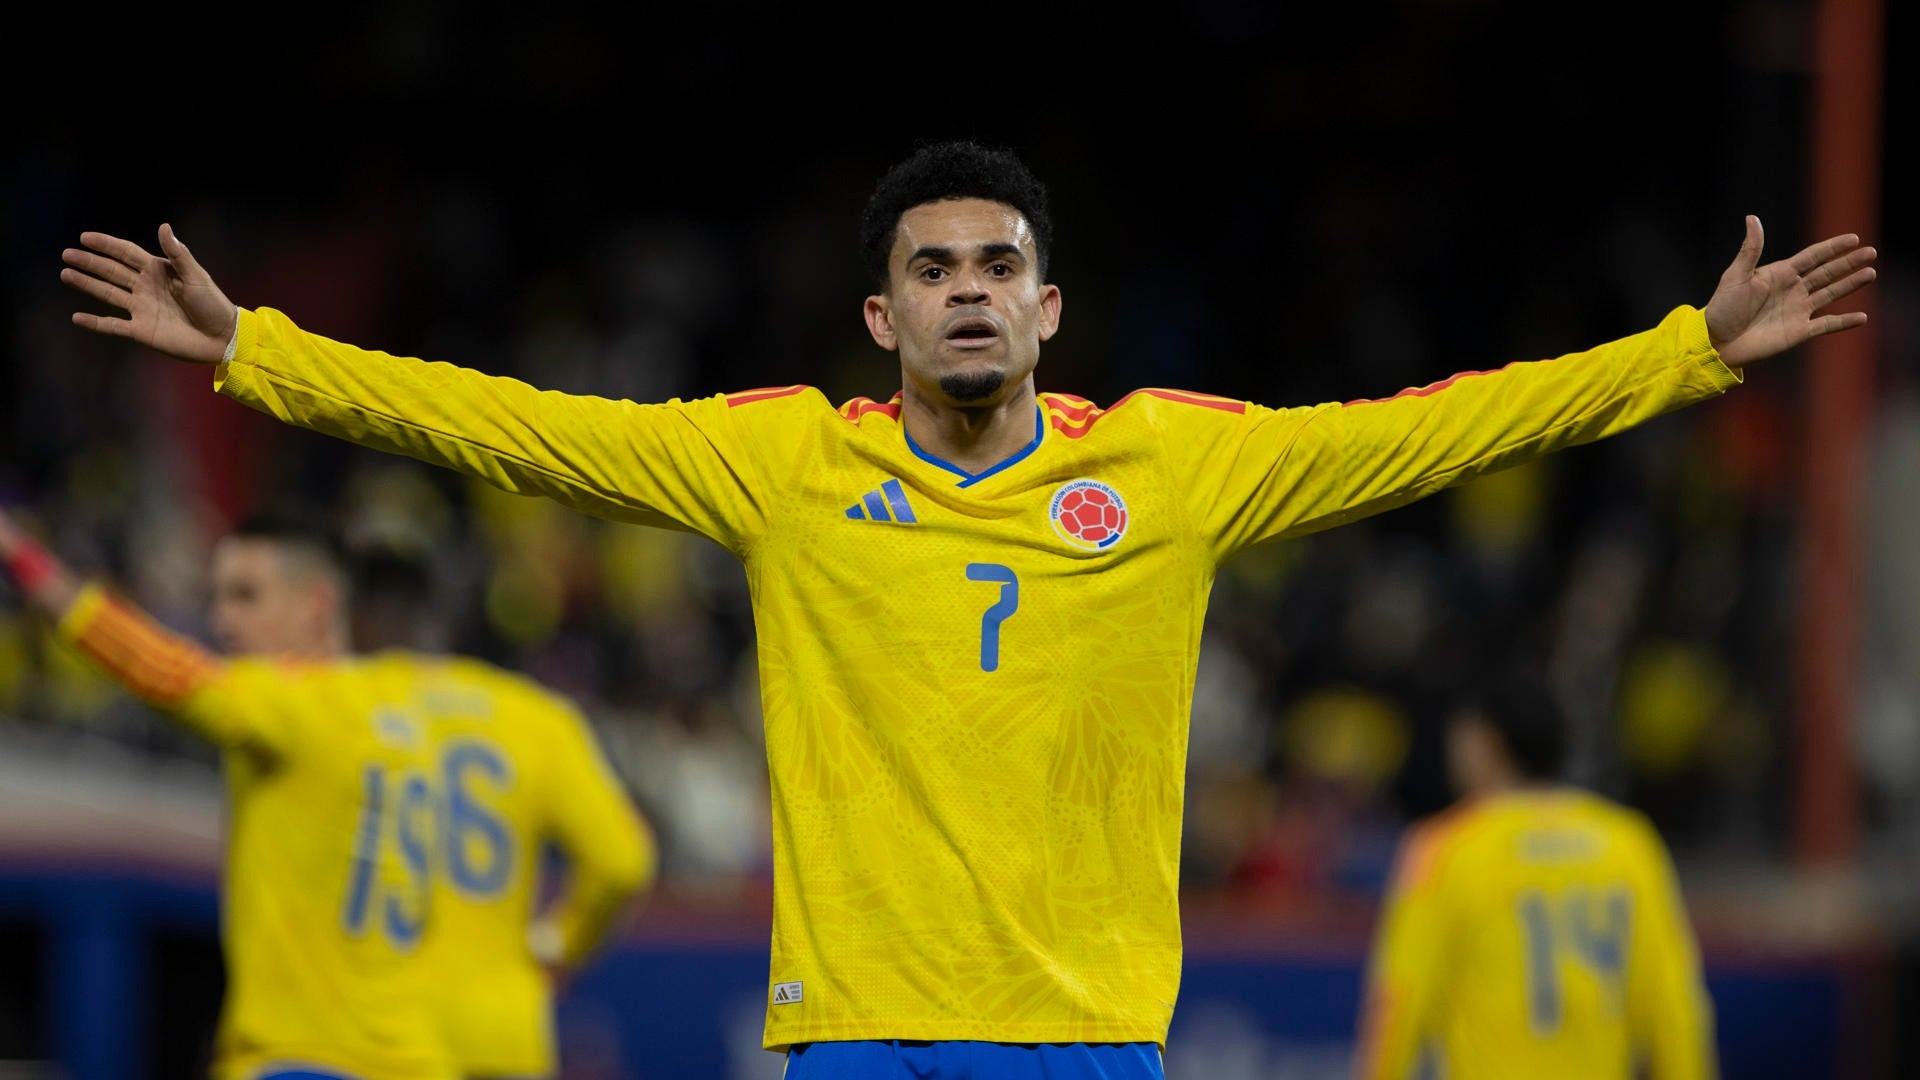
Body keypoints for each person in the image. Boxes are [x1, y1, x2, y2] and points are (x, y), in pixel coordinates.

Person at [57, 140, 1873, 1079]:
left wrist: (1687, 355)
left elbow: (1432, 432)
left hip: (1089, 1038)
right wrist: (263, 356)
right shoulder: (784, 465)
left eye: (998, 265)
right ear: (881, 322)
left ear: (1052, 305)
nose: (969, 293)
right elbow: (523, 426)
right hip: (854, 1034)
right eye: (931, 271)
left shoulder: (1175, 466)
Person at [0, 508, 654, 1080]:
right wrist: (553, 948)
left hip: (316, 1048)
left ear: (337, 608)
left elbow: (170, 674)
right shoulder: (529, 719)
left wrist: (32, 567)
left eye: (244, 597)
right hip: (480, 1041)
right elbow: (624, 858)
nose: (221, 619)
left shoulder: (328, 706)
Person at [1352, 678, 1716, 1079]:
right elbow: (1673, 1005)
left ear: (1485, 743)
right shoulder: (1628, 845)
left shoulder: (1444, 850)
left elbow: (1400, 999)